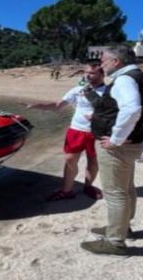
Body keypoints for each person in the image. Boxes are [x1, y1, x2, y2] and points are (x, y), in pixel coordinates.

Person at [80, 45, 143, 256]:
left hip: (117, 147)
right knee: (127, 188)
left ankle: (115, 241)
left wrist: (117, 139)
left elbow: (132, 109)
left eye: (103, 61)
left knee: (115, 193)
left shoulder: (124, 79)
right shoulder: (140, 77)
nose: (101, 64)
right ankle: (121, 227)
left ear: (116, 62)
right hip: (132, 143)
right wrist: (139, 132)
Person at [25, 62, 106, 201]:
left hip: (96, 132)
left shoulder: (109, 91)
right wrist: (37, 106)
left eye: (92, 73)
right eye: (86, 72)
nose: (87, 75)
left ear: (102, 74)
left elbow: (116, 112)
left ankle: (88, 187)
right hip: (76, 130)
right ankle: (67, 191)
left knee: (93, 161)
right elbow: (58, 105)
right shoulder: (78, 89)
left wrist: (98, 116)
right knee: (69, 160)